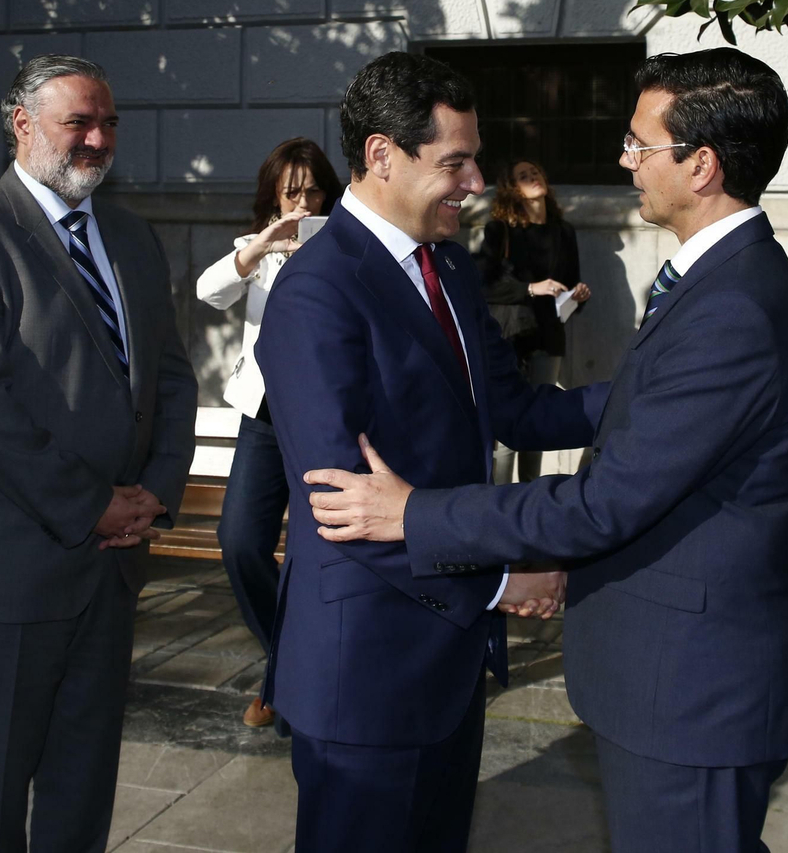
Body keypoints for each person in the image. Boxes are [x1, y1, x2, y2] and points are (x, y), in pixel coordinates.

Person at [306, 48, 788, 853]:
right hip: (399, 662)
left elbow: (605, 502)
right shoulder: (722, 284)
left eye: (638, 145)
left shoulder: (733, 306)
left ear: (701, 166)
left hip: (692, 683)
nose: (625, 160)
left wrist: (419, 515)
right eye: (458, 160)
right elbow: (583, 417)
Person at [252, 51, 600, 853]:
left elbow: (512, 409)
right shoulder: (316, 291)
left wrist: (651, 394)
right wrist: (505, 577)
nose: (475, 181)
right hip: (365, 673)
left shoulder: (447, 265)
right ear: (382, 155)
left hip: (447, 663)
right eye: (455, 161)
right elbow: (339, 502)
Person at [0, 54, 198, 852]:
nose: (98, 140)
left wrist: (157, 492)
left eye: (108, 124)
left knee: (80, 797)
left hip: (107, 573)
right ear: (22, 125)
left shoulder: (131, 237)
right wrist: (93, 503)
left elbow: (170, 376)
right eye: (79, 123)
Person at [195, 136, 341, 731]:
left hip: (323, 419)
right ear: (273, 197)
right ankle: (290, 669)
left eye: (311, 191)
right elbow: (210, 292)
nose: (302, 203)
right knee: (239, 543)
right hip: (262, 416)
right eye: (290, 193)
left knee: (316, 555)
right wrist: (263, 244)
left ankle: (299, 684)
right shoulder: (256, 251)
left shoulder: (346, 244)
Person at [476, 157, 589, 482]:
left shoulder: (563, 231)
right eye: (523, 176)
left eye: (535, 172)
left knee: (537, 425)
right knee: (509, 429)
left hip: (548, 337)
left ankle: (529, 498)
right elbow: (485, 285)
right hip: (512, 338)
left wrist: (576, 296)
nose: (533, 178)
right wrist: (531, 287)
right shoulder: (500, 231)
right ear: (513, 189)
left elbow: (569, 285)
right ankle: (496, 500)